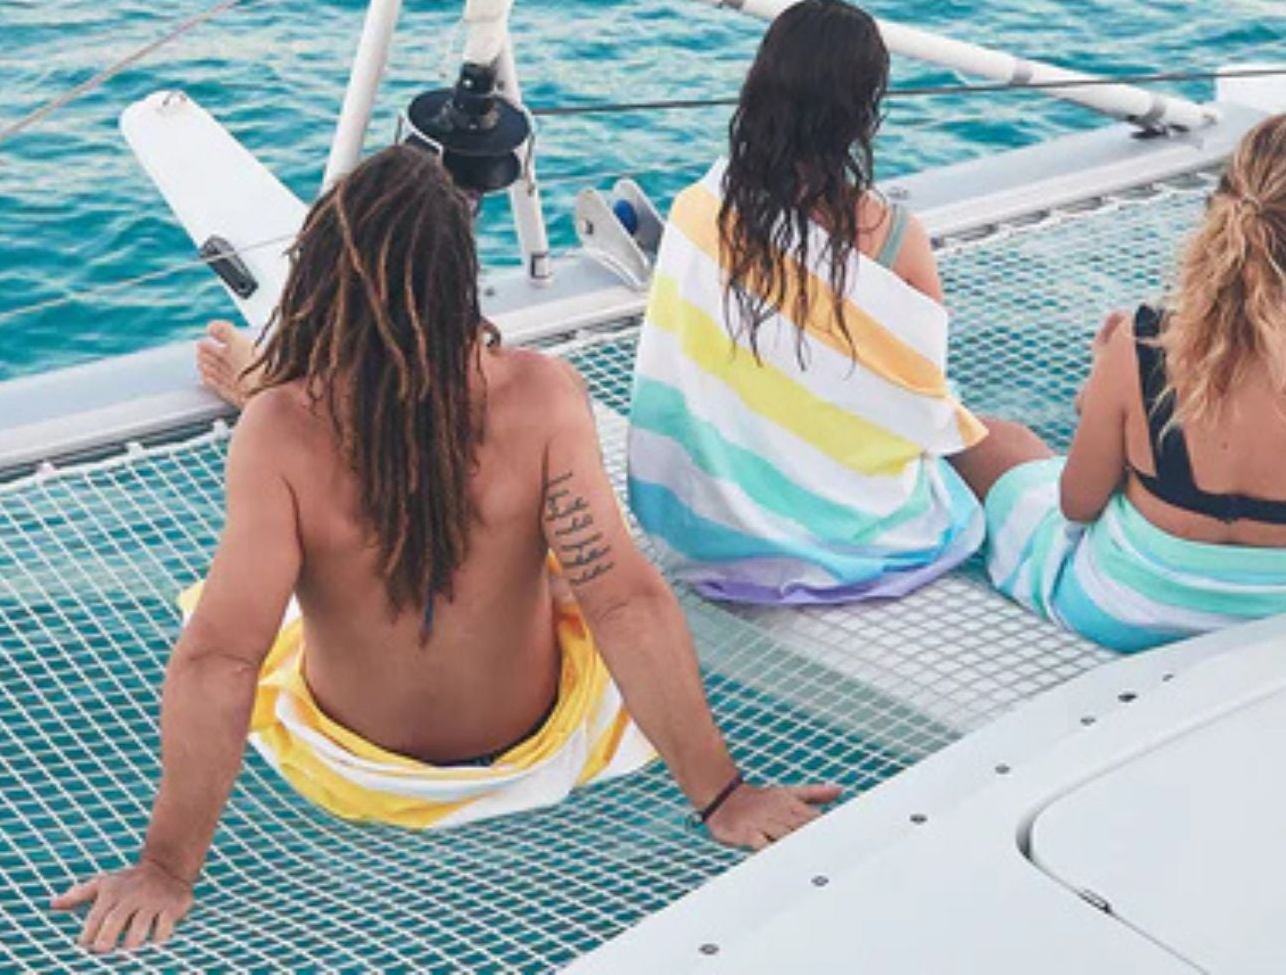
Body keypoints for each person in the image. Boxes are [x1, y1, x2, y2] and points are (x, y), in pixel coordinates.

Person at [53, 146, 836, 958]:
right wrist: (725, 797)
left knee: (256, 588)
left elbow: (219, 662)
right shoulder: (541, 395)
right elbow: (626, 603)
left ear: (320, 276)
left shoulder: (281, 431)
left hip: (355, 767)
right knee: (581, 566)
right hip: (543, 740)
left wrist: (166, 870)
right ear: (462, 280)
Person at [978, 113, 1286, 650]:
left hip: (1122, 615)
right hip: (1285, 622)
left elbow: (1077, 503)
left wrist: (1102, 390)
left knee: (1001, 445)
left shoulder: (1143, 343)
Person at [627, 0, 1044, 604]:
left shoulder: (698, 209)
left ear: (759, 84)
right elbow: (920, 403)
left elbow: (676, 372)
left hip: (705, 526)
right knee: (1009, 444)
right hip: (847, 533)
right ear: (862, 111)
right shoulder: (895, 236)